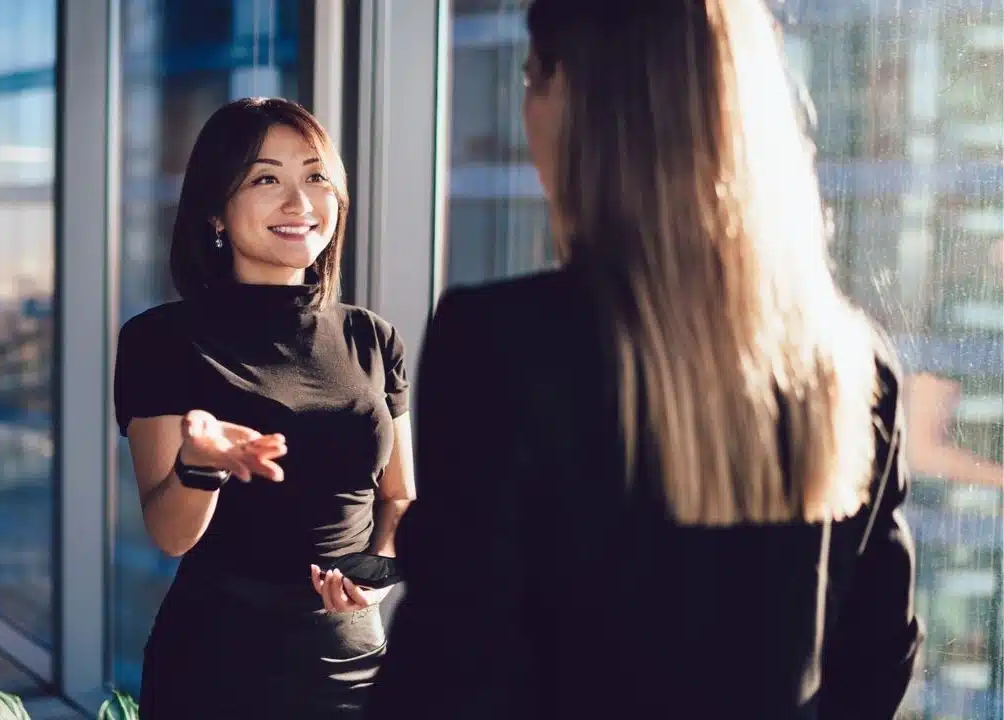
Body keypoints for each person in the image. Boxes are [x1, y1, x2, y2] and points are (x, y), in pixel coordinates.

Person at [367, 1, 922, 718]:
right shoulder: (855, 361)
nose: (526, 112)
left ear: (586, 106)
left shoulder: (500, 345)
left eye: (535, 78)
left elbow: (449, 677)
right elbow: (879, 658)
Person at [114, 97, 415, 719]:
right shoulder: (161, 341)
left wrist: (376, 571)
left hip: (353, 657)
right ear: (215, 211)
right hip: (218, 664)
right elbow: (170, 535)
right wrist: (202, 465)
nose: (300, 202)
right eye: (265, 179)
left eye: (315, 177)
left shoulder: (373, 337)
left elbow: (398, 496)